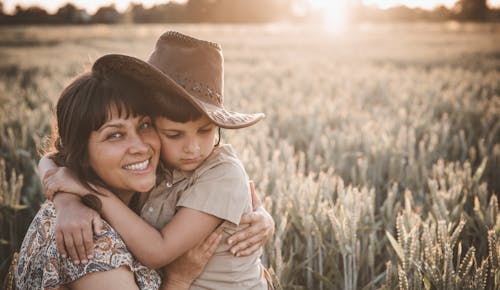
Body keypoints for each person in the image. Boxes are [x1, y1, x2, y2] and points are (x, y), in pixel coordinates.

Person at [42, 31, 273, 289]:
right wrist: (67, 200)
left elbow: (158, 252)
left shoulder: (221, 174)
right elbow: (55, 160)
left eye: (206, 131)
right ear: (152, 122)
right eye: (173, 134)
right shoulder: (158, 164)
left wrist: (87, 191)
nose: (193, 148)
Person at [15, 63, 212, 289]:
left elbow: (50, 160)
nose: (139, 146)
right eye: (115, 135)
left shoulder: (136, 198)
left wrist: (253, 213)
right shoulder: (88, 238)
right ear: (81, 152)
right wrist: (178, 280)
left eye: (145, 125)